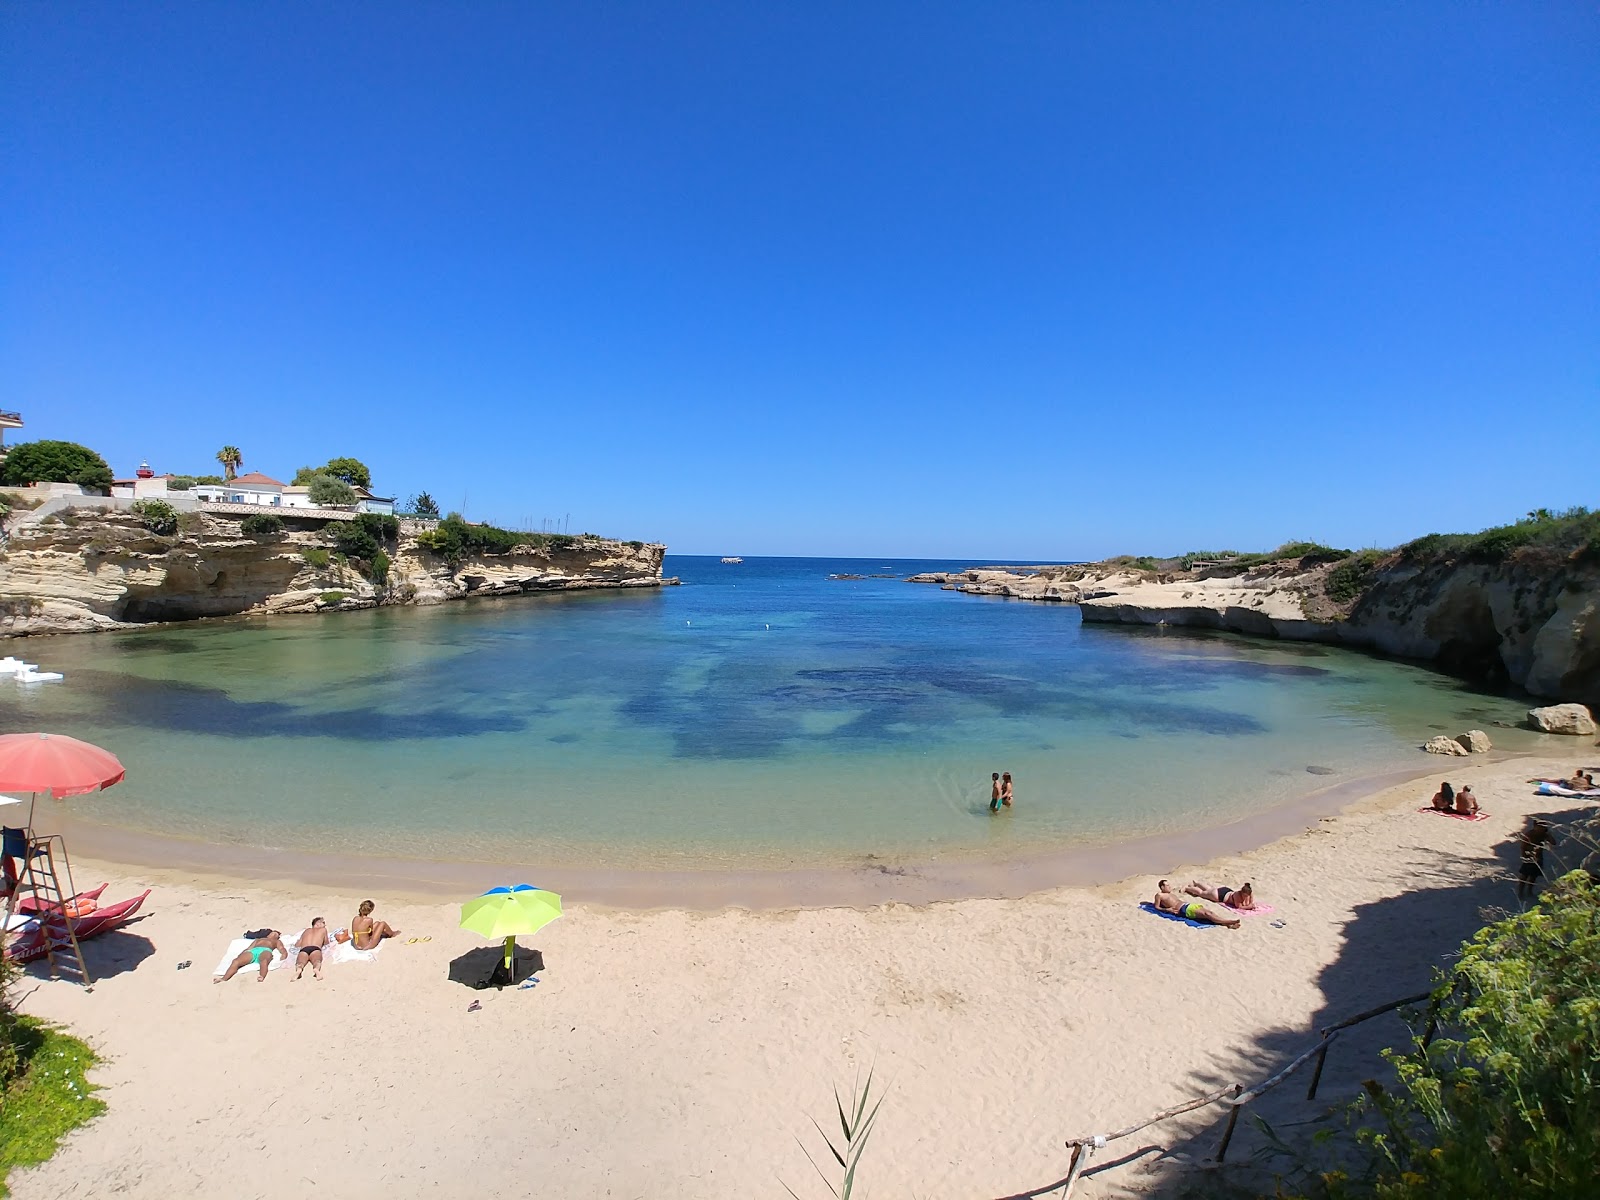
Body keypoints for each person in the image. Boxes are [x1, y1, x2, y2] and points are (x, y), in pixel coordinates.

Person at [1154, 879, 1239, 928]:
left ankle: (1226, 923)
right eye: (1167, 886)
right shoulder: (1159, 895)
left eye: (1169, 885)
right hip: (1184, 910)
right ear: (1162, 887)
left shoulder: (1170, 893)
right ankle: (1228, 922)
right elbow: (1156, 907)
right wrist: (1167, 909)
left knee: (1209, 913)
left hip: (1188, 905)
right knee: (1207, 914)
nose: (1170, 887)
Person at [215, 930, 287, 984]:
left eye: (276, 934)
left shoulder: (277, 941)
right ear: (268, 934)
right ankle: (224, 978)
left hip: (266, 950)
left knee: (264, 961)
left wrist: (284, 954)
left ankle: (261, 976)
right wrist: (241, 955)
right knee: (236, 961)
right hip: (253, 951)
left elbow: (281, 949)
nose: (274, 935)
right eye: (273, 933)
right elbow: (249, 948)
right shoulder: (258, 940)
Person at [1517, 819, 1553, 901]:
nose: (1541, 828)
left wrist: (1548, 835)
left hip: (1538, 857)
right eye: (1540, 826)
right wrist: (1524, 856)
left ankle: (1529, 891)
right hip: (1529, 857)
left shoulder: (1544, 835)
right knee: (1525, 875)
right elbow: (1523, 845)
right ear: (1535, 826)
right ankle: (1520, 892)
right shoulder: (1530, 834)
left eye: (1543, 827)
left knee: (1534, 876)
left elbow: (1553, 842)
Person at [294, 916, 330, 981]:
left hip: (304, 949)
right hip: (315, 948)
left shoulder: (306, 930)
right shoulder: (323, 930)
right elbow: (326, 942)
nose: (324, 925)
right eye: (323, 923)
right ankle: (316, 969)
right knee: (317, 961)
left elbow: (298, 944)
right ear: (318, 924)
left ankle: (299, 969)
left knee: (300, 962)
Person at [1184, 880, 1256, 910]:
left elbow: (1251, 900)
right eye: (1245, 896)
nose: (1246, 897)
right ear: (1242, 892)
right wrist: (1249, 906)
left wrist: (1251, 903)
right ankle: (1187, 888)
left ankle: (1196, 883)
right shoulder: (1237, 895)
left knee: (1209, 889)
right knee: (1202, 893)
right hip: (1219, 896)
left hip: (1226, 891)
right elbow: (1239, 907)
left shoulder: (1249, 892)